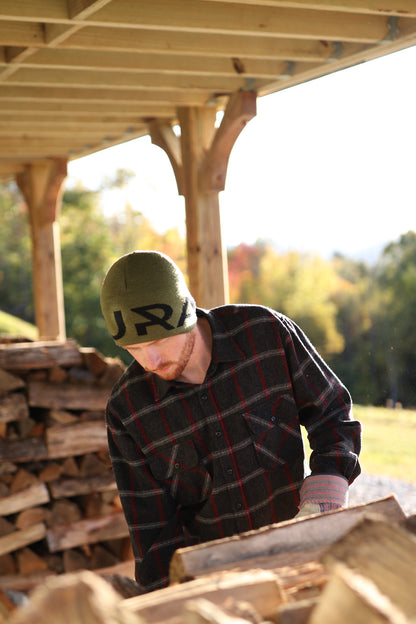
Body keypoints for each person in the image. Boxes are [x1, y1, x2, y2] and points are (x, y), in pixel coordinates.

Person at [100, 250, 361, 592]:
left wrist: (322, 500)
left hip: (304, 558)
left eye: (160, 341)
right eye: (134, 349)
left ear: (187, 313)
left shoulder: (266, 334)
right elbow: (153, 535)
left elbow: (333, 415)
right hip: (216, 589)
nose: (151, 360)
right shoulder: (128, 410)